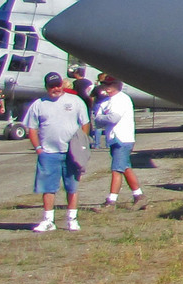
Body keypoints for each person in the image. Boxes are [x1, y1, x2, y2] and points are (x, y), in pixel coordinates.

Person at [21, 71, 89, 232]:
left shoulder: (75, 101)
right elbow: (32, 128)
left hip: (72, 152)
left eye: (58, 85)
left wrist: (82, 143)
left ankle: (72, 219)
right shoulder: (39, 104)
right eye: (52, 86)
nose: (56, 88)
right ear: (46, 87)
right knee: (48, 187)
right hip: (49, 152)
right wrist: (38, 148)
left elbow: (85, 123)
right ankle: (48, 220)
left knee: (72, 186)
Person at [92, 75, 144, 208]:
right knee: (125, 167)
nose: (107, 88)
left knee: (117, 170)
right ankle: (139, 195)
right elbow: (97, 116)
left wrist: (100, 118)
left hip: (122, 138)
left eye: (110, 85)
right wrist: (100, 118)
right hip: (114, 138)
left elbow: (112, 118)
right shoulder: (109, 100)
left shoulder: (121, 99)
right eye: (105, 85)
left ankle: (111, 200)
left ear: (118, 85)